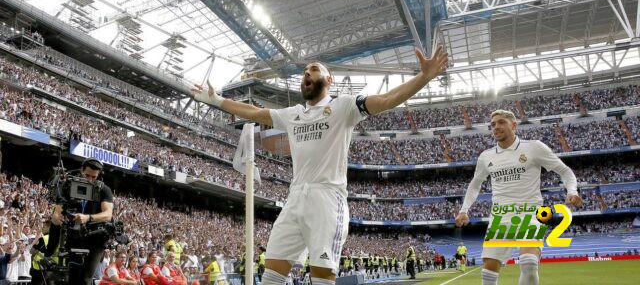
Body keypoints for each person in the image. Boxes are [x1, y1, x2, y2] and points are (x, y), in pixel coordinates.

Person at [193, 47, 448, 285]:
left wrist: (423, 78)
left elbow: (386, 99)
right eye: (305, 72)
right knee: (271, 273)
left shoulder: (344, 106)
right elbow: (253, 112)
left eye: (313, 69)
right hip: (295, 198)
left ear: (329, 80)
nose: (307, 73)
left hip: (327, 199)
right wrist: (217, 101)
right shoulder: (292, 114)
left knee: (321, 276)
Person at [455, 109, 584, 285]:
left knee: (529, 262)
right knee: (488, 272)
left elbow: (564, 170)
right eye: (493, 124)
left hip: (530, 214)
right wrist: (464, 210)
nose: (496, 127)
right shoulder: (486, 156)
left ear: (514, 125)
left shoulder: (534, 147)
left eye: (501, 122)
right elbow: (475, 184)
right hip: (500, 216)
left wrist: (572, 192)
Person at [49, 158, 114, 285]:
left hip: (96, 238)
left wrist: (88, 218)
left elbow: (108, 214)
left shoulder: (104, 189)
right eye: (87, 175)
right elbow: (57, 212)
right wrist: (58, 218)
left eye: (94, 177)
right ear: (81, 170)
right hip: (74, 235)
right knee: (71, 277)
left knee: (85, 279)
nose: (90, 179)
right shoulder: (68, 186)